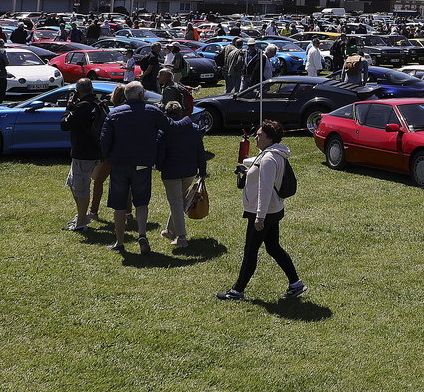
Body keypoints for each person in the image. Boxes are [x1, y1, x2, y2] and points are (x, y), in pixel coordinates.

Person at [218, 120, 305, 300]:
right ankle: (296, 284)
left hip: (264, 212)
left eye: (259, 135)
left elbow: (265, 189)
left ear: (269, 138)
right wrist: (247, 171)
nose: (256, 137)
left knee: (250, 251)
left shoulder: (268, 159)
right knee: (273, 248)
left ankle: (237, 291)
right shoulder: (272, 154)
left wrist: (260, 216)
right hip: (273, 210)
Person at [100, 81, 170, 254]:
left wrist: (110, 157)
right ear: (141, 95)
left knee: (119, 205)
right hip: (142, 163)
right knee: (141, 202)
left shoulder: (114, 113)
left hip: (119, 164)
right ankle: (142, 234)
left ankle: (119, 242)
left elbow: (104, 139)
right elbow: (168, 128)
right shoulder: (152, 111)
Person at [158, 100, 207, 251]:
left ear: (166, 113)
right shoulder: (194, 128)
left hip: (171, 172)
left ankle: (181, 237)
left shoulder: (164, 130)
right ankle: (169, 230)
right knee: (178, 201)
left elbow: (160, 153)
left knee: (176, 203)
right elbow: (200, 151)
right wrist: (202, 171)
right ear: (181, 112)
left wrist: (159, 166)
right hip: (190, 171)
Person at [60, 79, 105, 231]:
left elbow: (65, 124)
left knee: (81, 187)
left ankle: (81, 222)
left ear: (78, 91)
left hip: (84, 153)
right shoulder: (98, 104)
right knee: (73, 184)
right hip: (94, 151)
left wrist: (69, 107)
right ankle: (81, 215)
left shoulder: (83, 106)